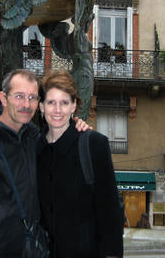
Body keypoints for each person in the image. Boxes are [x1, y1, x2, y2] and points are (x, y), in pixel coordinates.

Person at [0, 68, 89, 258]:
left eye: (32, 97)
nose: (26, 104)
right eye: (19, 96)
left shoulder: (34, 140)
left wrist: (76, 128)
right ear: (3, 98)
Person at [37, 70, 124, 258]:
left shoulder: (94, 144)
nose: (57, 110)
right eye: (51, 102)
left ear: (74, 106)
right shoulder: (33, 148)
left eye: (64, 102)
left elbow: (110, 210)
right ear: (41, 106)